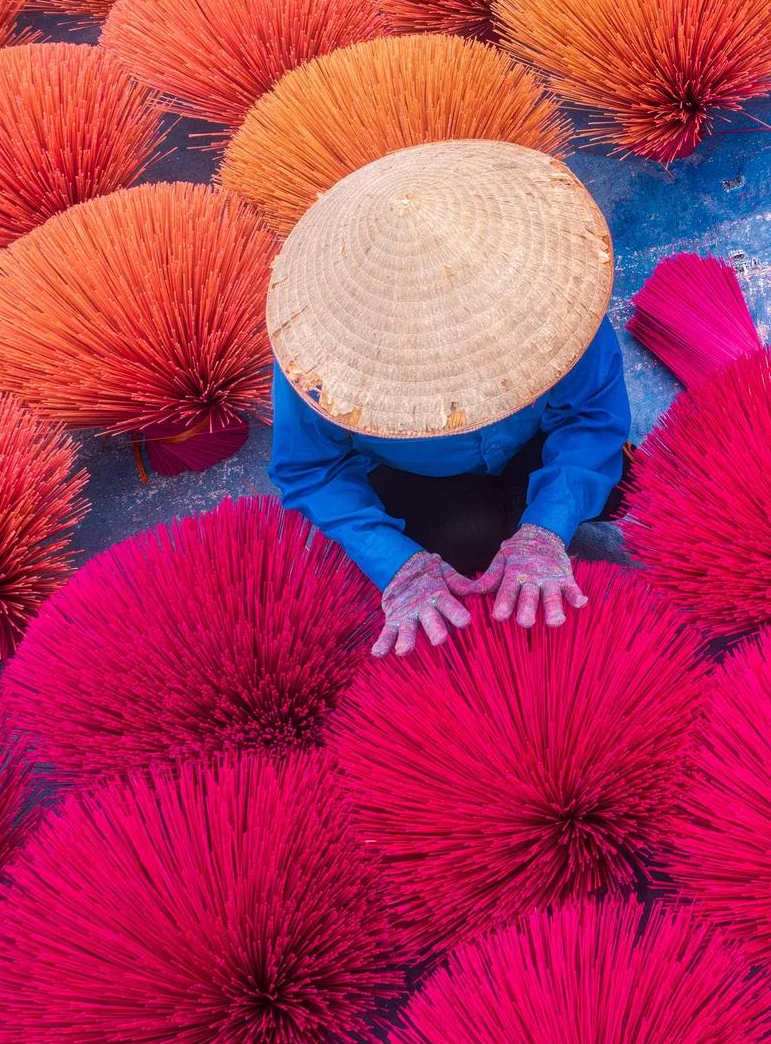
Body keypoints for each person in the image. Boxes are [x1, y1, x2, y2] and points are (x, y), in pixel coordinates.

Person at [266, 139, 630, 657]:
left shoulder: (561, 305)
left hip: (534, 440)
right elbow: (312, 471)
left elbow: (593, 417)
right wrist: (396, 563)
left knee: (620, 480)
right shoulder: (316, 357)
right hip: (420, 476)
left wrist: (546, 529)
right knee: (467, 546)